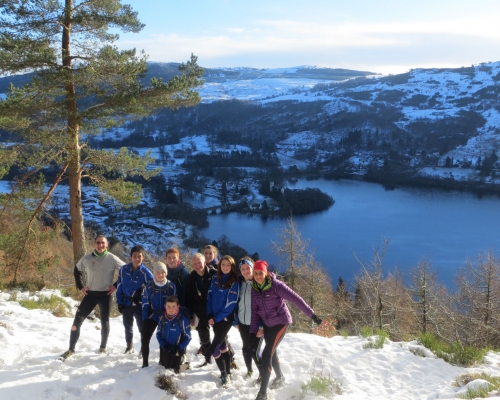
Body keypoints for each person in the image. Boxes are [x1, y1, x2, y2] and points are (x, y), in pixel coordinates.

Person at [250, 260, 323, 400]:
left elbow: (297, 299)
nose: (258, 276)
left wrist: (313, 316)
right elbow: (254, 312)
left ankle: (262, 394)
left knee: (266, 354)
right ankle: (279, 377)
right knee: (272, 351)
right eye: (256, 273)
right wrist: (253, 332)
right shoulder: (254, 289)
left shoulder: (276, 285)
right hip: (267, 324)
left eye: (261, 273)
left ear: (266, 274)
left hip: (281, 322)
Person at [60, 235, 124, 360]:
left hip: (106, 295)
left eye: (103, 243)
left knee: (105, 322)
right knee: (76, 322)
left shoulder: (112, 258)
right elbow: (77, 271)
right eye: (98, 243)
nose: (100, 245)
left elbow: (126, 270)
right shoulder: (87, 258)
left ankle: (103, 347)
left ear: (107, 244)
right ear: (94, 244)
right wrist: (80, 286)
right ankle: (71, 349)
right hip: (90, 295)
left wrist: (116, 285)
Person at [207, 255, 240, 388]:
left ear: (232, 267)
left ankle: (224, 374)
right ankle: (229, 371)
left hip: (225, 319)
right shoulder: (215, 278)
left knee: (214, 348)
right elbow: (209, 296)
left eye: (228, 265)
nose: (225, 267)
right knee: (222, 347)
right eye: (223, 264)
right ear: (219, 266)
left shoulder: (234, 282)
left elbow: (230, 305)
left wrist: (216, 318)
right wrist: (209, 314)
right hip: (213, 317)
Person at [116, 245, 153, 354]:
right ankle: (129, 346)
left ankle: (143, 347)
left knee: (142, 328)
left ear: (143, 258)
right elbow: (119, 286)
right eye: (134, 256)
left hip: (139, 304)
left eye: (139, 256)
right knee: (128, 326)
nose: (137, 259)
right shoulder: (123, 269)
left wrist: (146, 301)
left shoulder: (146, 273)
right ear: (130, 257)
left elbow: (151, 289)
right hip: (126, 302)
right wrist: (119, 302)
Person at [141, 261, 177, 368]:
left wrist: (172, 317)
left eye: (163, 272)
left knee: (164, 339)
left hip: (166, 316)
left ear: (166, 273)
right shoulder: (149, 287)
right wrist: (145, 319)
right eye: (158, 272)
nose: (160, 275)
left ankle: (162, 361)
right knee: (145, 338)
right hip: (153, 315)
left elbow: (175, 304)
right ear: (154, 273)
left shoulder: (171, 286)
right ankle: (145, 362)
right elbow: (145, 304)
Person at [186, 252, 217, 367]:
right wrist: (190, 316)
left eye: (199, 262)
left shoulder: (214, 274)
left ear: (205, 262)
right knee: (203, 335)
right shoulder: (191, 278)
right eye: (195, 264)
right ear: (192, 266)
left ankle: (230, 358)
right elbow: (189, 298)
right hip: (199, 311)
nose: (198, 266)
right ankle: (208, 358)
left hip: (214, 310)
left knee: (221, 336)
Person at [235, 257, 263, 379]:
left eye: (248, 268)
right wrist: (236, 321)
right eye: (243, 269)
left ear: (252, 268)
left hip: (256, 324)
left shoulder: (259, 284)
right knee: (246, 348)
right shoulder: (238, 284)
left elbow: (264, 307)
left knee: (254, 351)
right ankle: (250, 371)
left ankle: (263, 375)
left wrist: (262, 326)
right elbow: (235, 303)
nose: (246, 271)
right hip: (242, 322)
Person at [156, 295, 192, 373]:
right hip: (166, 347)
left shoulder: (182, 320)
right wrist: (164, 345)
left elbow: (188, 337)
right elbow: (158, 334)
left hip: (177, 348)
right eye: (168, 306)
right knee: (165, 366)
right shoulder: (162, 319)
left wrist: (179, 347)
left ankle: (185, 363)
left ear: (178, 306)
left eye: (173, 306)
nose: (171, 309)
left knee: (175, 370)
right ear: (165, 306)